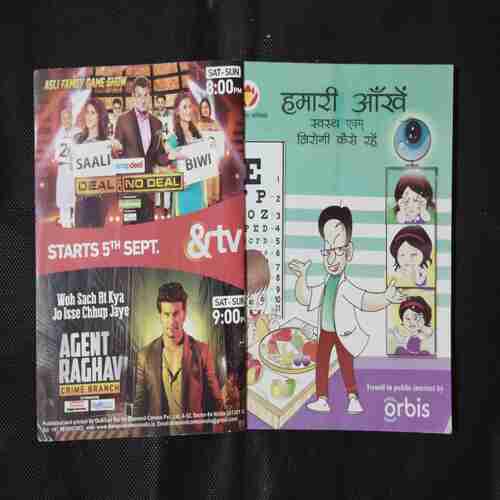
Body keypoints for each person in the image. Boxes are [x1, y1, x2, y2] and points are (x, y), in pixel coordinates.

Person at [288, 205, 405, 414]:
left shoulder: (346, 286)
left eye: (338, 250)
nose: (331, 259)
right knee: (321, 364)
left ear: (349, 252)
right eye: (327, 251)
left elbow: (365, 300)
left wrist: (386, 298)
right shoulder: (325, 284)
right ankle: (322, 398)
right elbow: (304, 297)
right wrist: (302, 277)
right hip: (325, 332)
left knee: (346, 365)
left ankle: (353, 397)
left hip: (345, 334)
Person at [133, 282, 224, 435]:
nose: (171, 321)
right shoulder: (145, 355)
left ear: (184, 314)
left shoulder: (202, 351)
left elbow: (216, 401)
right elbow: (139, 406)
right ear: (160, 316)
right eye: (166, 314)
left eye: (176, 314)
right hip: (160, 439)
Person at [113, 76, 167, 223]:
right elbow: (116, 155)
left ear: (150, 96)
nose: (142, 100)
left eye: (146, 95)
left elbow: (159, 156)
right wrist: (115, 150)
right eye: (139, 95)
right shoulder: (123, 120)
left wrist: (170, 156)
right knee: (130, 229)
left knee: (148, 229)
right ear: (133, 97)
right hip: (129, 190)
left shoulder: (157, 123)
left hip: (148, 190)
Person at [164, 92, 209, 216]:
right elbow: (164, 166)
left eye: (189, 106)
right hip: (184, 194)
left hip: (199, 189)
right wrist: (177, 179)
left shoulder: (198, 135)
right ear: (177, 112)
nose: (188, 110)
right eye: (184, 107)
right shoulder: (173, 139)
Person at [73, 98, 110, 228]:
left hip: (98, 200)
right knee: (80, 236)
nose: (88, 116)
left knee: (97, 235)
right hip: (81, 199)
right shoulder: (77, 140)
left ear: (100, 116)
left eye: (93, 113)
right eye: (87, 112)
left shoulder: (106, 143)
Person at [246, 249, 280, 347]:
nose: (256, 307)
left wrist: (273, 325)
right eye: (250, 301)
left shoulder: (265, 319)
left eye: (261, 300)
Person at [54, 107, 80, 228]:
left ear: (72, 118)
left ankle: (76, 220)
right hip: (63, 168)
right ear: (61, 120)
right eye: (63, 118)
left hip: (75, 168)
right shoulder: (59, 134)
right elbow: (56, 152)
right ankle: (65, 222)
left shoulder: (78, 132)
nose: (66, 120)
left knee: (75, 196)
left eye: (68, 118)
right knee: (63, 195)